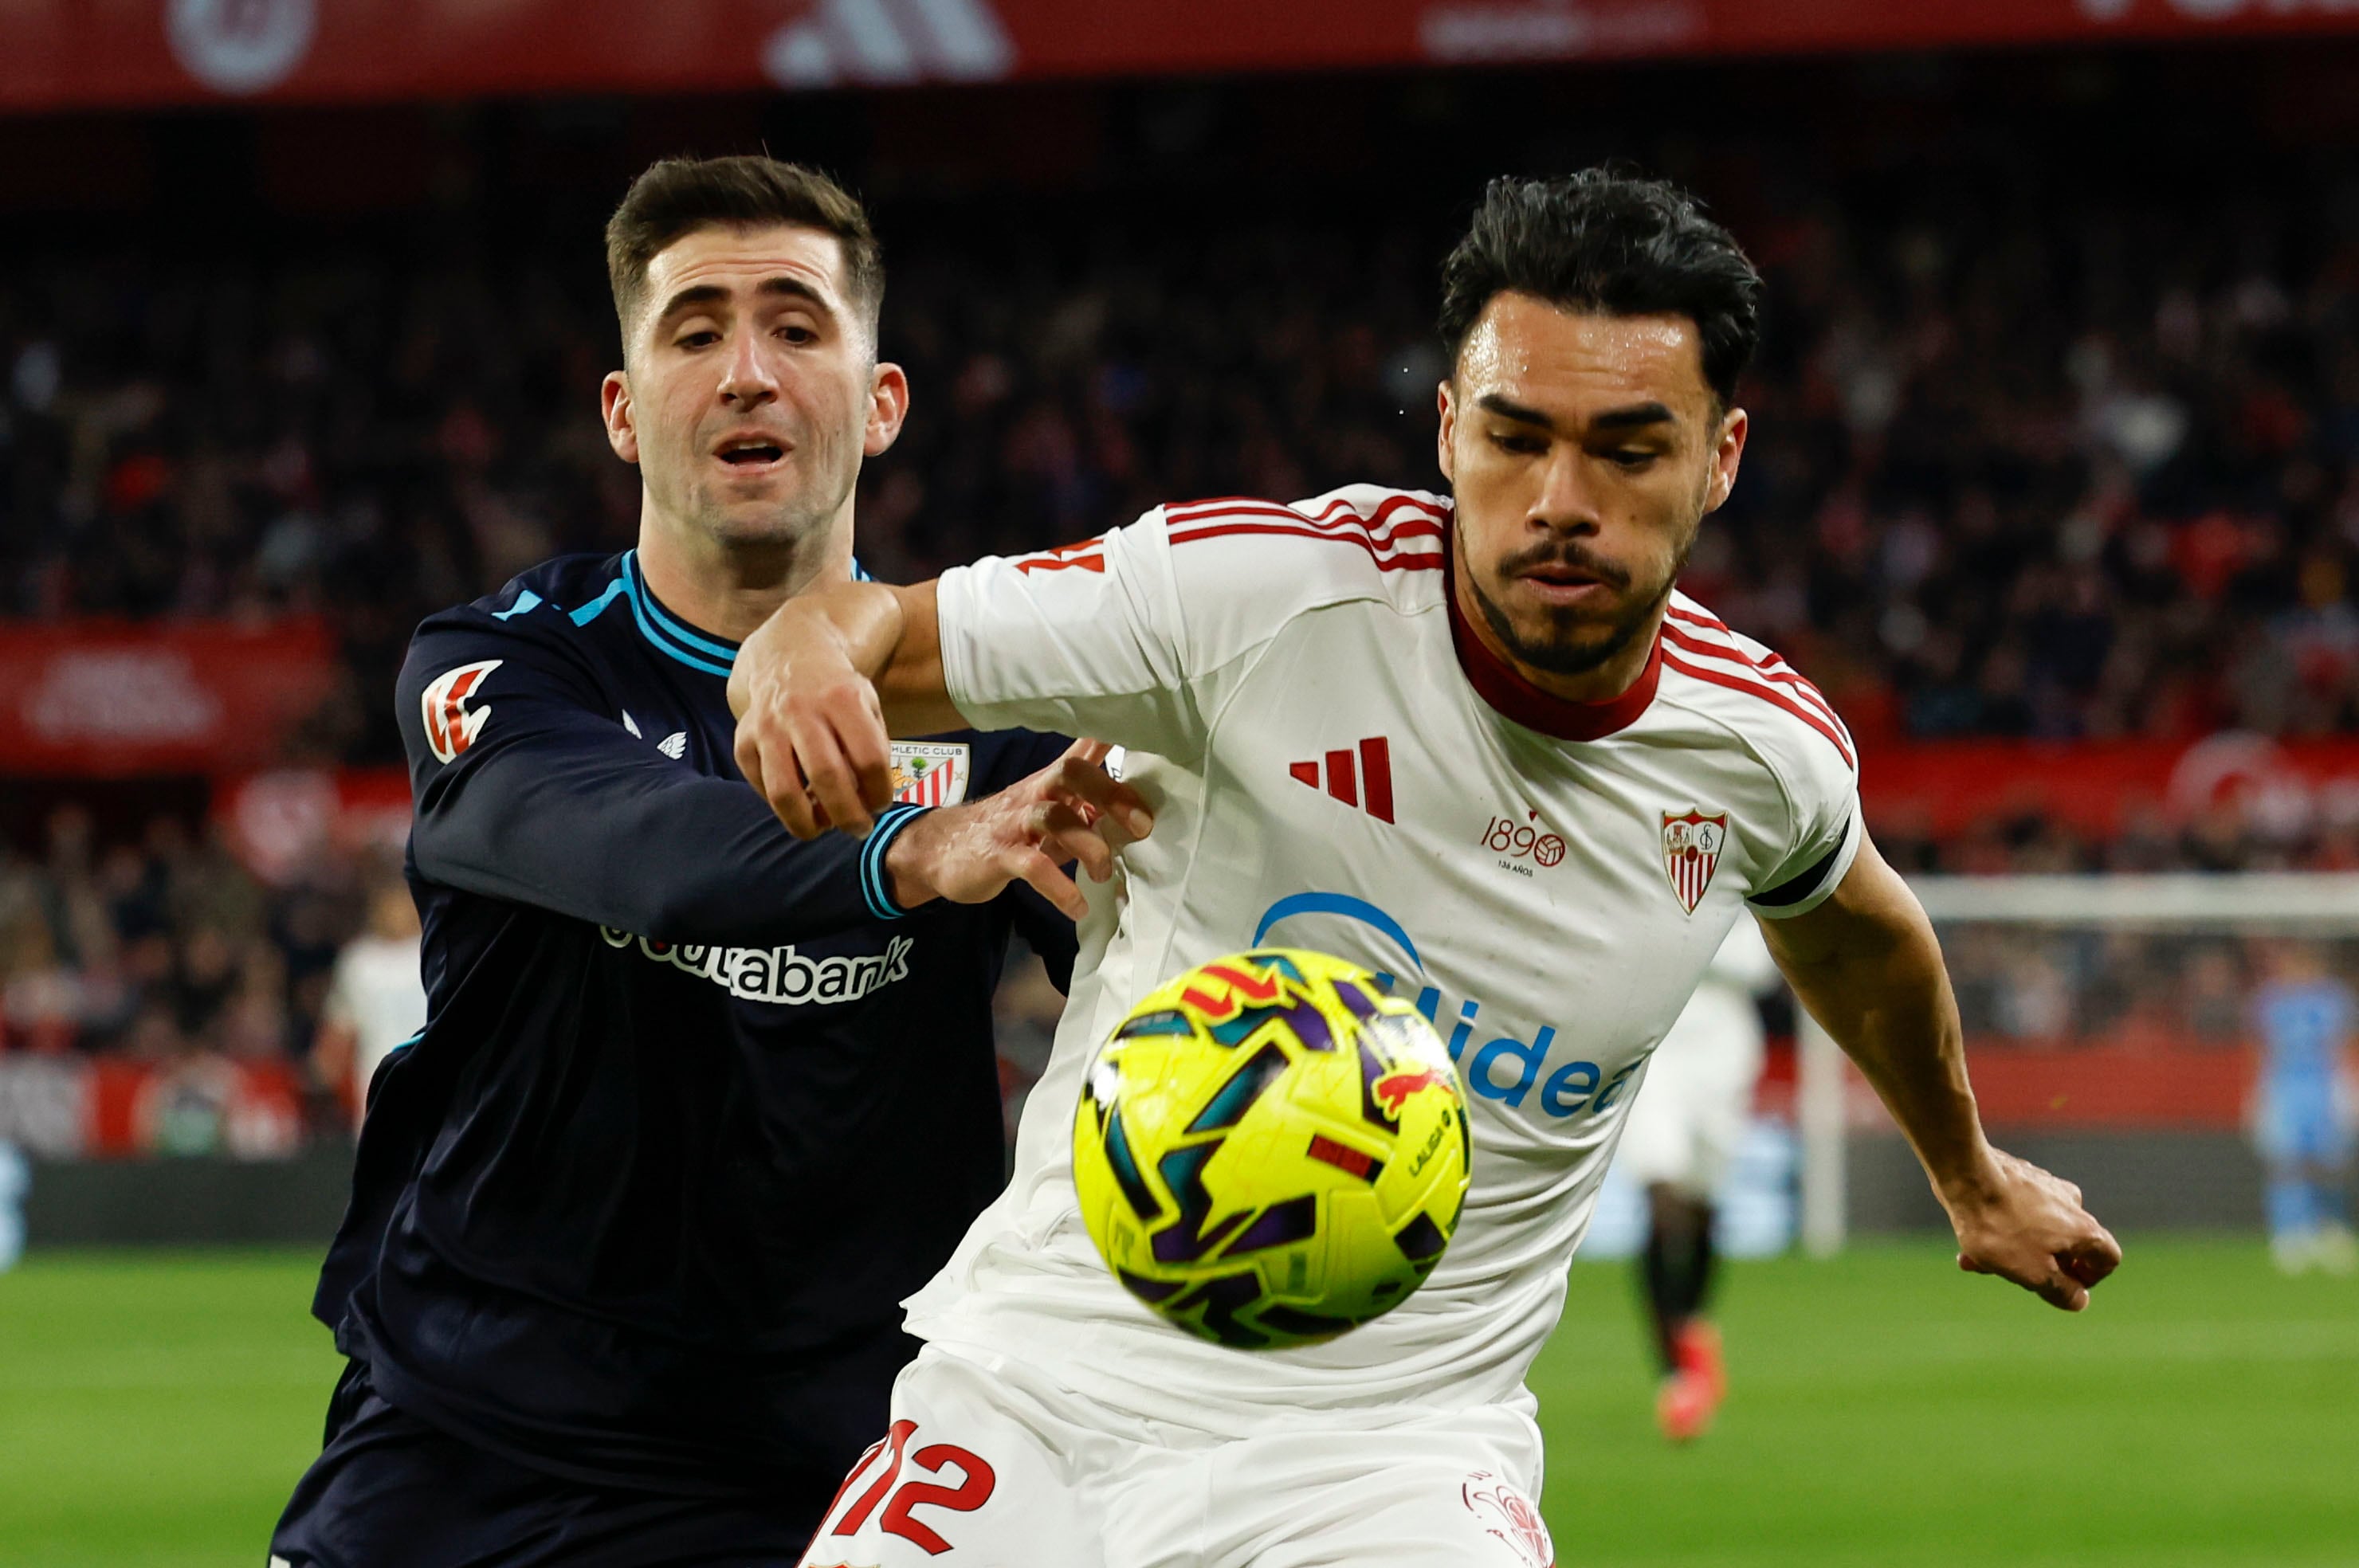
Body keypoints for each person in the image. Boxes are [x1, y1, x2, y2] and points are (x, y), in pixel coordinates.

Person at [732, 169, 2121, 1566]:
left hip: (1393, 1457)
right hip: (1042, 1388)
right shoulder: (1255, 598)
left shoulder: (1759, 755)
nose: (1560, 502)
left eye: (1629, 450)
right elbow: (875, 630)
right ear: (1450, 429)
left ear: (1723, 457)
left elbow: (1857, 927)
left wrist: (1968, 1170)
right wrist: (799, 649)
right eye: (1517, 438)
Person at [270, 155, 1146, 1568]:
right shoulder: (500, 662)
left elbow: (1172, 961)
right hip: (482, 1438)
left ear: (882, 400)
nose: (747, 371)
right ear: (624, 411)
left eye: (798, 325)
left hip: (848, 1461)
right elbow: (638, 846)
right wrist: (907, 851)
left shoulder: (1000, 714)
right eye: (693, 331)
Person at [1611, 915, 1778, 1442]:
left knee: (1703, 1205)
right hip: (1654, 1052)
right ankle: (1676, 1372)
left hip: (1722, 1060)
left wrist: (1684, 946)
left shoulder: (1735, 886)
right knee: (1662, 1193)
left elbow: (1759, 966)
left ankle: (1695, 1327)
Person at [2251, 942, 2358, 1275]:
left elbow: (2343, 1046)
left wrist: (2348, 1088)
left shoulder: (2334, 999)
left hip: (2325, 1087)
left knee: (2331, 1161)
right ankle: (2290, 1232)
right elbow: (2260, 1050)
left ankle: (2330, 1228)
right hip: (2285, 1088)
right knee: (2286, 1162)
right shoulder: (2270, 1001)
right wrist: (2258, 1094)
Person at [310, 876, 427, 1131]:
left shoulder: (436, 952)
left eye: (402, 901)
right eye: (389, 903)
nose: (396, 910)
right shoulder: (359, 962)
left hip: (438, 1094)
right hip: (380, 1095)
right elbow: (339, 1031)